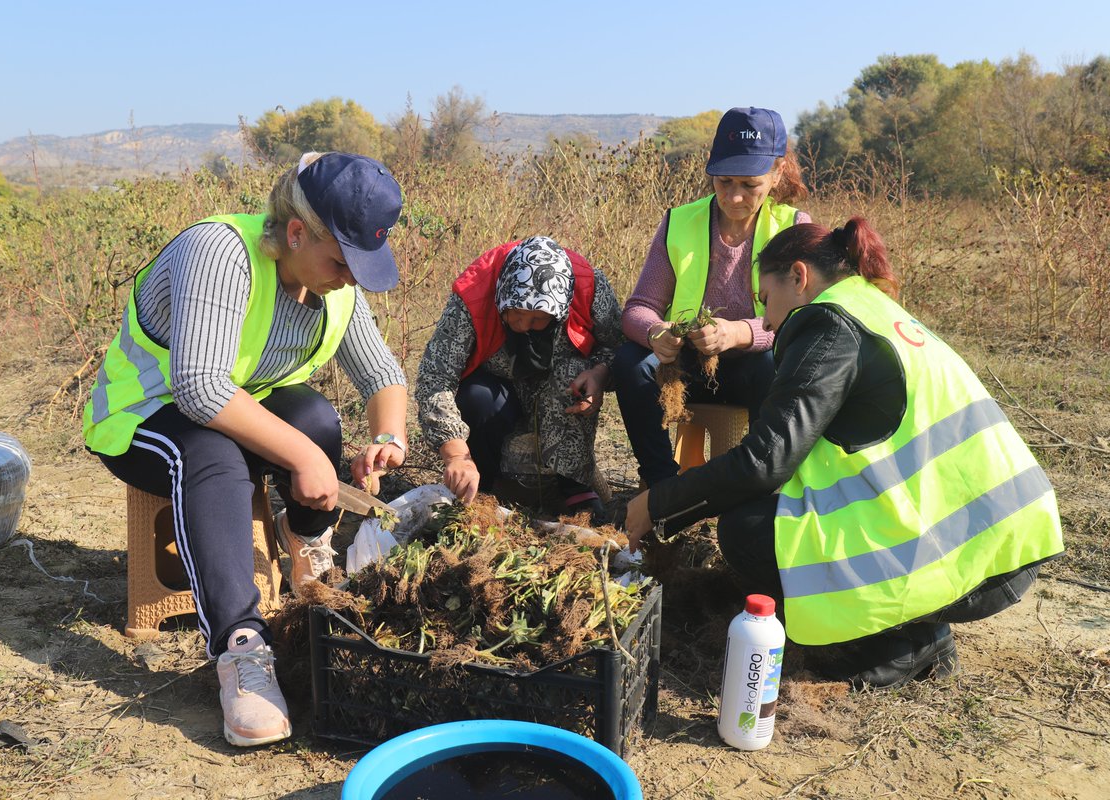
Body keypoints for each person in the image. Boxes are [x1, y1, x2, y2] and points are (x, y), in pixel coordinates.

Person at [625, 217, 1065, 688]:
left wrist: (657, 504)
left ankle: (900, 642)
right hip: (1004, 537)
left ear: (799, 277)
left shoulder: (828, 324)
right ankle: (912, 628)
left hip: (976, 556)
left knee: (748, 530)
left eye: (765, 298)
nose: (765, 319)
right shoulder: (870, 306)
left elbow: (764, 461)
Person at [82, 152, 410, 746]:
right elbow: (200, 388)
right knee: (213, 454)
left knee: (315, 417)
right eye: (342, 262)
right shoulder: (219, 253)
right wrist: (303, 458)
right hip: (143, 416)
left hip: (232, 409)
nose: (350, 279)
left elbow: (382, 374)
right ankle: (241, 646)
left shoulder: (334, 285)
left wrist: (388, 438)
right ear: (295, 232)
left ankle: (306, 543)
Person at [613, 107, 810, 487]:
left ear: (777, 172)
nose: (734, 197)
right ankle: (662, 486)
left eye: (749, 185)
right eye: (724, 181)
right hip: (686, 367)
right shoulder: (679, 222)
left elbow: (804, 320)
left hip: (755, 373)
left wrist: (738, 333)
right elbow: (639, 308)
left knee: (773, 365)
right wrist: (656, 332)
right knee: (631, 363)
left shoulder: (794, 227)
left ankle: (762, 484)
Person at [416, 236, 622, 520]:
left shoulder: (589, 287)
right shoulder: (474, 295)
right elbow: (435, 376)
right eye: (515, 314)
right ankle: (483, 486)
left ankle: (574, 486)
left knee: (573, 374)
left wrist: (599, 374)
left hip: (559, 390)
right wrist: (455, 453)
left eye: (538, 319)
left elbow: (618, 347)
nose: (524, 326)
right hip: (498, 390)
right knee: (478, 397)